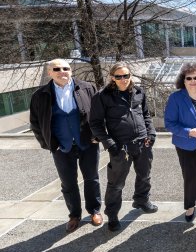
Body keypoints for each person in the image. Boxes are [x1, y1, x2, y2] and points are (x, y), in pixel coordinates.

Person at [29, 59, 102, 233]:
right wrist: (48, 144)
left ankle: (94, 211)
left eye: (66, 68)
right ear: (50, 73)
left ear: (71, 70)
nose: (62, 71)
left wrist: (98, 135)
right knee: (68, 183)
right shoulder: (40, 95)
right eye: (57, 69)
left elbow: (100, 113)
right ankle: (74, 215)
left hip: (87, 144)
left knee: (92, 179)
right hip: (61, 147)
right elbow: (35, 123)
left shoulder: (87, 88)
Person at [90, 62, 157, 231]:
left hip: (143, 143)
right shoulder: (103, 96)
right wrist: (108, 143)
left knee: (144, 175)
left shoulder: (139, 92)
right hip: (120, 147)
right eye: (118, 76)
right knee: (116, 184)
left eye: (126, 75)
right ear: (112, 77)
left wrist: (151, 133)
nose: (123, 79)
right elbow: (96, 123)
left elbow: (146, 115)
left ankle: (142, 200)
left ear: (130, 76)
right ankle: (112, 215)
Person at [164, 63, 196, 223]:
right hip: (186, 144)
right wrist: (188, 132)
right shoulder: (176, 97)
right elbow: (169, 123)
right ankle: (190, 206)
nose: (193, 81)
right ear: (183, 81)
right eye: (189, 78)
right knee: (190, 176)